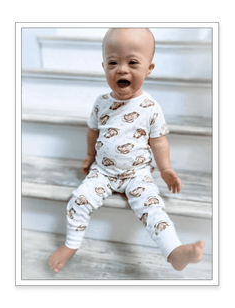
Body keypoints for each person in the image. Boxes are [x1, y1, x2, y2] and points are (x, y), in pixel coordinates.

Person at [48, 28, 204, 273]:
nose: (121, 69)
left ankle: (174, 250)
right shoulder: (101, 102)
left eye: (132, 62)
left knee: (153, 209)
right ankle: (71, 244)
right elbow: (93, 132)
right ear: (103, 66)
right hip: (103, 173)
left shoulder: (149, 106)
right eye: (113, 62)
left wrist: (166, 169)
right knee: (79, 200)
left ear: (149, 69)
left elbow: (159, 141)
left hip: (137, 175)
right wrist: (89, 156)